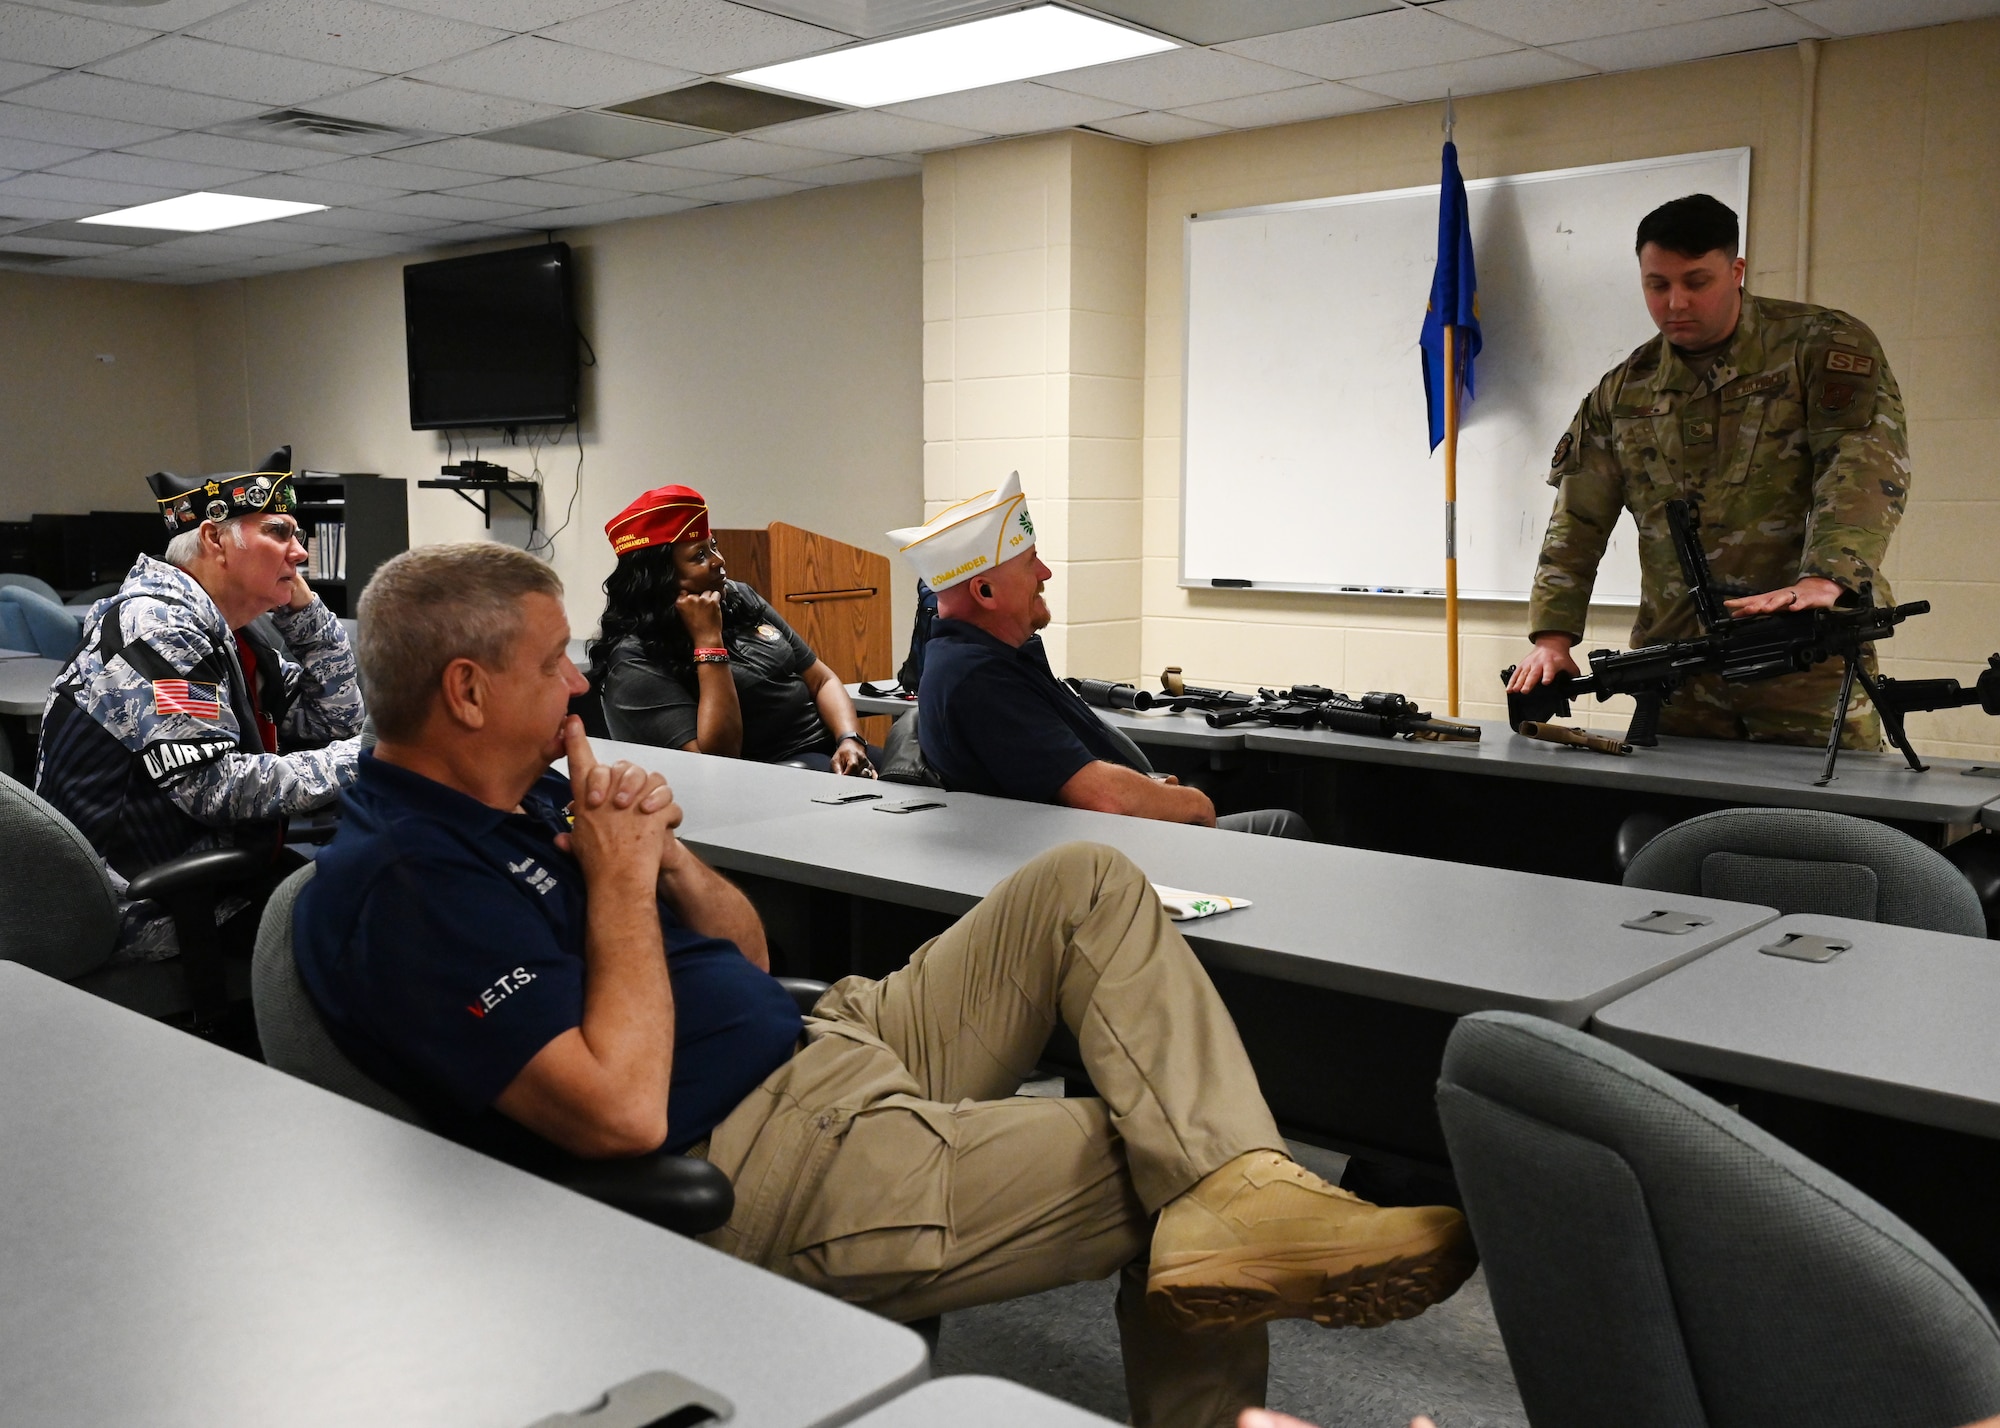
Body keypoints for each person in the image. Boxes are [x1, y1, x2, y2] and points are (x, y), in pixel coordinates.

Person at [295, 542, 1474, 1428]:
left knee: (1087, 882)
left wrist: (659, 849)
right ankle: (1232, 1240)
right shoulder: (400, 884)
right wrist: (611, 887)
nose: (575, 687)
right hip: (764, 1151)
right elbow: (618, 1113)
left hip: (825, 1038)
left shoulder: (531, 793)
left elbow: (741, 953)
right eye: (553, 664)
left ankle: (1240, 1201)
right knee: (1166, 1160)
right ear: (464, 691)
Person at [1507, 193, 1910, 748]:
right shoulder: (1624, 390)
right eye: (1657, 284)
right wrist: (1553, 637)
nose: (1676, 302)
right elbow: (1577, 521)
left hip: (1802, 661)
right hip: (1677, 670)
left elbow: (1864, 463)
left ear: (1737, 270)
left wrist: (1827, 575)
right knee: (1676, 828)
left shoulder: (1818, 346)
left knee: (1818, 829)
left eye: (1697, 282)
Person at [36, 447, 362, 954]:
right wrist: (368, 758)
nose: (300, 553)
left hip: (202, 868)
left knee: (370, 890)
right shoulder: (159, 630)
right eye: (279, 533)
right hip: (138, 906)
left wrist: (304, 613)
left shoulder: (226, 634)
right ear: (214, 538)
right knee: (372, 919)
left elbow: (334, 718)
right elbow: (214, 788)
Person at [894, 474, 1310, 837]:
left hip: (1090, 839)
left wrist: (1151, 790)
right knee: (1282, 826)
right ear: (985, 592)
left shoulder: (983, 656)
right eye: (1030, 563)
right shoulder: (979, 678)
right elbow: (1103, 798)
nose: (1045, 574)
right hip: (1098, 855)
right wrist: (1193, 803)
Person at [589, 484, 875, 776]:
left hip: (831, 749)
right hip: (770, 773)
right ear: (659, 577)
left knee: (914, 756)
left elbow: (821, 680)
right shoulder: (634, 659)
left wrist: (850, 739)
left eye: (713, 546)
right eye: (699, 555)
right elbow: (719, 759)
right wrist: (709, 642)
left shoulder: (738, 597)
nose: (719, 560)